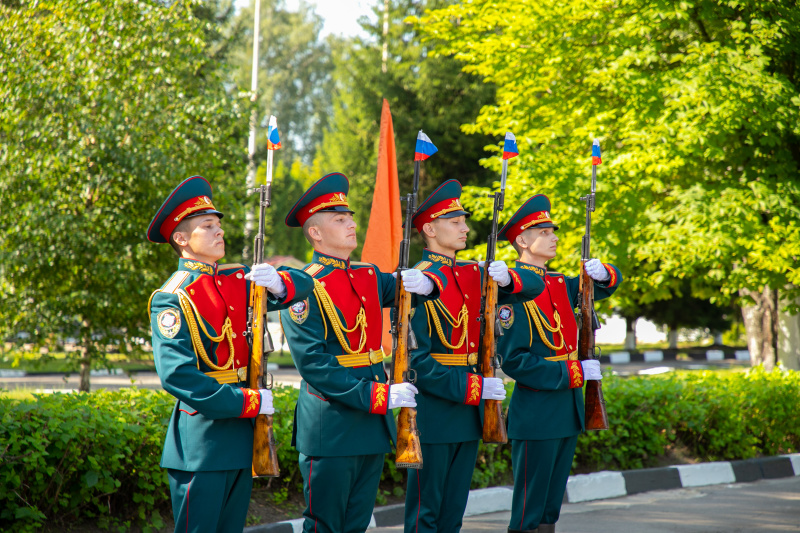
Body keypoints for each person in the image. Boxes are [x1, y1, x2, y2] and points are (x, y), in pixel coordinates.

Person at [279, 172, 445, 533]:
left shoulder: (368, 275)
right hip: (332, 424)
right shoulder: (304, 286)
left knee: (356, 524)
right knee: (326, 525)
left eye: (350, 216)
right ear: (316, 233)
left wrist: (429, 281)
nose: (352, 224)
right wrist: (379, 395)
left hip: (371, 425)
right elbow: (315, 367)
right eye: (339, 219)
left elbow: (414, 288)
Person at [147, 175, 314, 533]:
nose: (219, 232)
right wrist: (247, 403)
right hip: (202, 442)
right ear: (181, 239)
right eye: (207, 226)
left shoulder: (237, 281)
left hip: (240, 439)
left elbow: (305, 287)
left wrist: (280, 281)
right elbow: (178, 375)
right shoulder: (173, 297)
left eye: (219, 225)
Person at [402, 179, 545, 533]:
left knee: (453, 515)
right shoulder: (417, 280)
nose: (465, 227)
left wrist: (509, 280)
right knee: (426, 514)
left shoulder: (471, 274)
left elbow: (535, 285)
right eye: (455, 221)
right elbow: (416, 362)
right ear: (430, 229)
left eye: (464, 220)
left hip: (468, 415)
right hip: (435, 413)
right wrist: (474, 389)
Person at [496, 194, 622, 533]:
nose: (553, 237)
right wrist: (574, 371)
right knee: (529, 510)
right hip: (537, 413)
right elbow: (514, 361)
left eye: (554, 231)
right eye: (544, 232)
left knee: (551, 509)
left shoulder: (558, 284)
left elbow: (602, 290)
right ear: (522, 240)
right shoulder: (512, 290)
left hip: (567, 411)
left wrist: (606, 274)